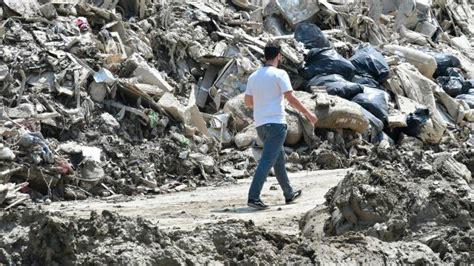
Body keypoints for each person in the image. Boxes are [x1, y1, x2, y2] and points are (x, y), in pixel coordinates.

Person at [244, 42, 318, 210]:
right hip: (276, 124)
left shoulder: (253, 76)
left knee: (278, 159)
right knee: (267, 161)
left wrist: (263, 100)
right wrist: (308, 114)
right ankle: (253, 197)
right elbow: (291, 98)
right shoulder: (280, 74)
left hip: (261, 125)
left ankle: (288, 193)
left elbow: (248, 102)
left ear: (265, 56)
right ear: (278, 56)